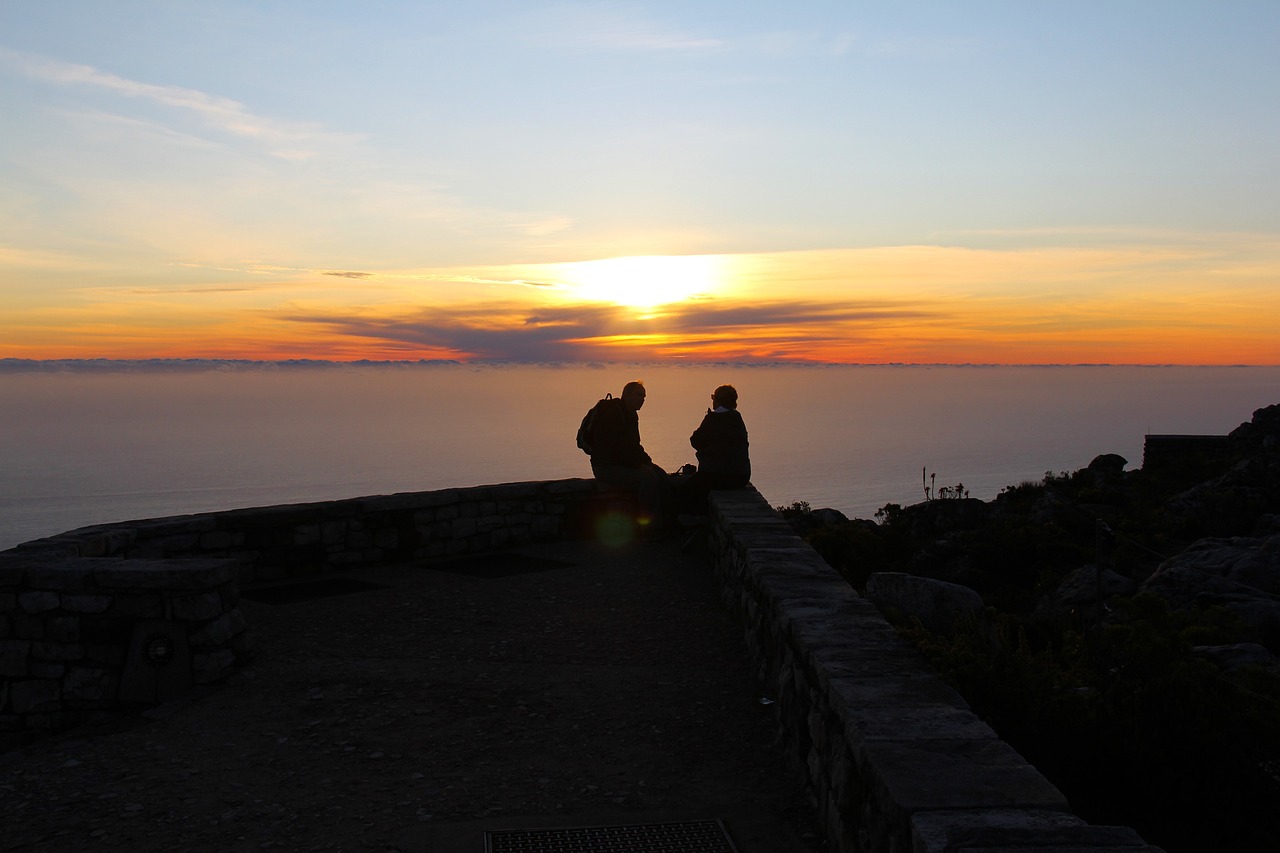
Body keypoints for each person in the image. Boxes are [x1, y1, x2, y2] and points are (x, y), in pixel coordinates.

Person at [587, 380, 670, 527]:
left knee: (661, 475)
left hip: (622, 463)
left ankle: (665, 521)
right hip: (606, 468)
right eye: (639, 395)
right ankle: (649, 527)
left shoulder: (630, 415)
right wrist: (638, 465)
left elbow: (634, 446)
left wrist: (648, 462)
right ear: (627, 395)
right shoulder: (613, 414)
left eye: (644, 397)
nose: (642, 400)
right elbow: (612, 449)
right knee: (648, 479)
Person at [680, 384, 751, 515]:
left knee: (684, 491)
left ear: (718, 400)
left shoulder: (713, 418)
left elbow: (695, 441)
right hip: (741, 477)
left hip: (716, 475)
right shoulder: (737, 417)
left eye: (713, 397)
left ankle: (691, 523)